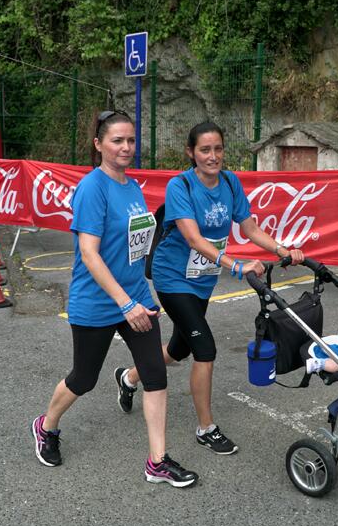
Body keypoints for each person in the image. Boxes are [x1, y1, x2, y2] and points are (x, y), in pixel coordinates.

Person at [30, 110, 198, 488]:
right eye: (117, 141)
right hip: (98, 302)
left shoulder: (131, 186)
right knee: (84, 379)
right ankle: (46, 425)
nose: (126, 147)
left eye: (131, 140)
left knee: (155, 376)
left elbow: (134, 248)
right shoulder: (93, 188)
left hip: (136, 297)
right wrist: (124, 303)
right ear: (98, 145)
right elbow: (90, 253)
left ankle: (157, 461)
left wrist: (142, 295)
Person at [115, 122, 304, 455]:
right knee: (205, 350)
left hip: (202, 280)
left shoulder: (230, 183)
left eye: (218, 149)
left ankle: (129, 378)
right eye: (205, 149)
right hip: (172, 278)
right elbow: (192, 238)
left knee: (180, 348)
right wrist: (237, 265)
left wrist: (282, 250)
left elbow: (249, 227)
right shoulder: (181, 186)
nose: (213, 156)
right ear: (191, 152)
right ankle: (206, 428)